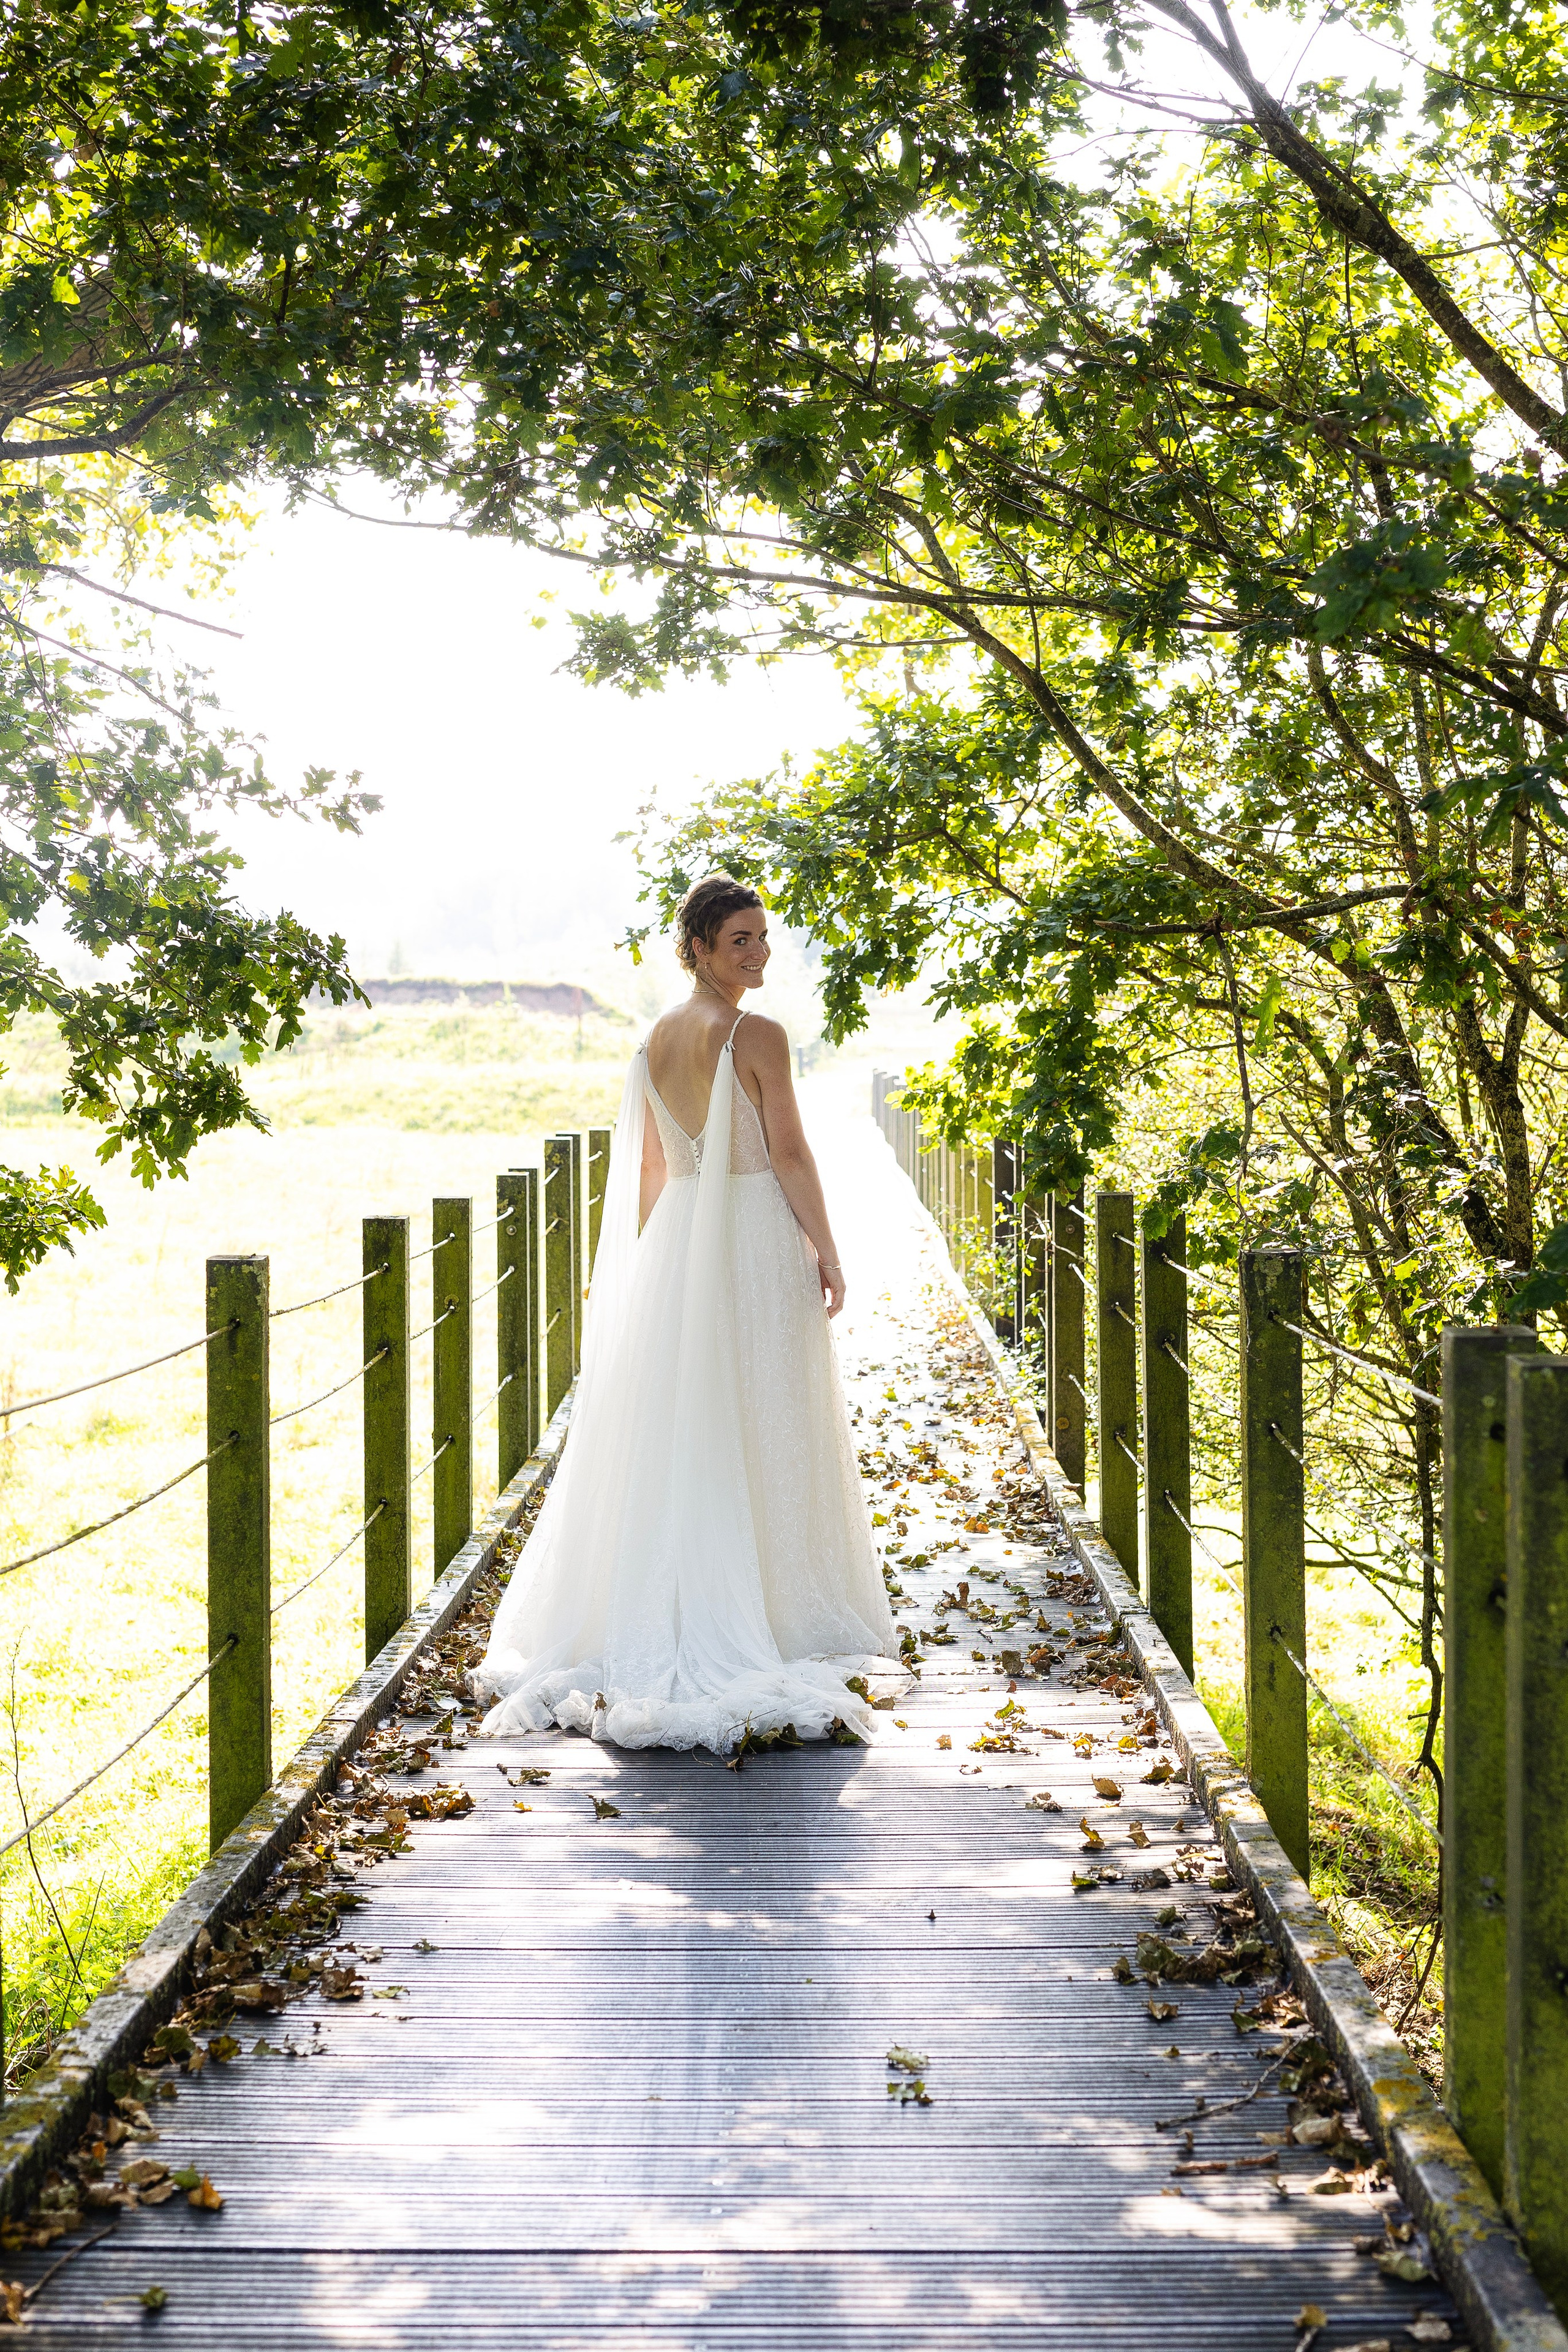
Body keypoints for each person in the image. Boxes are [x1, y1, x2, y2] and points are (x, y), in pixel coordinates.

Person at [472, 874, 896, 1752]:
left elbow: (653, 1172)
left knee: (687, 1423)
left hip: (677, 1242)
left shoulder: (654, 1041)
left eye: (763, 936)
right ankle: (763, 1616)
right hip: (749, 1240)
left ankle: (690, 1602)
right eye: (740, 939)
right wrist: (828, 1249)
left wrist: (639, 1264)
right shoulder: (756, 1034)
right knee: (761, 1413)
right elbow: (788, 1151)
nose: (759, 952)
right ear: (698, 948)